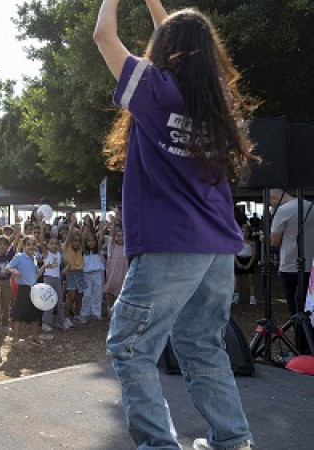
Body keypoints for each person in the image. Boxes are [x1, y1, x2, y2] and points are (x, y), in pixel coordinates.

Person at [94, 1, 255, 448]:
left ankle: (159, 444)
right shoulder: (219, 99)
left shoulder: (157, 91)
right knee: (203, 345)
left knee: (130, 346)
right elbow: (183, 45)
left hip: (170, 243)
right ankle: (233, 439)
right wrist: (155, 5)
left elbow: (104, 37)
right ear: (209, 51)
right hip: (218, 246)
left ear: (167, 51)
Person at [269, 188, 314, 354]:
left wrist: (262, 237)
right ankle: (310, 345)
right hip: (311, 264)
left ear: (275, 197)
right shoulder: (310, 206)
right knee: (309, 308)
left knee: (295, 310)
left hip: (290, 265)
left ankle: (302, 348)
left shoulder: (283, 210)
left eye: (270, 202)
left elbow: (274, 241)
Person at [7, 235, 48, 346]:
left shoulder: (34, 258)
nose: (31, 247)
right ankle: (16, 340)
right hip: (23, 289)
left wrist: (44, 268)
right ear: (24, 246)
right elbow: (8, 267)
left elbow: (35, 275)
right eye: (28, 244)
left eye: (33, 244)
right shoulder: (19, 256)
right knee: (18, 316)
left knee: (35, 316)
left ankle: (35, 338)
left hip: (34, 289)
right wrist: (14, 271)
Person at [80, 231, 105, 321]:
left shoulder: (97, 251)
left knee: (97, 294)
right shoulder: (84, 252)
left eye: (93, 241)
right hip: (86, 275)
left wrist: (102, 229)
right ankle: (84, 314)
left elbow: (101, 239)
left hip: (97, 274)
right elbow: (82, 240)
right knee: (87, 295)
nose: (91, 243)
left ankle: (96, 313)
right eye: (89, 241)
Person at [103, 226, 127, 315]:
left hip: (123, 269)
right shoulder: (112, 246)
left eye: (122, 236)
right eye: (118, 236)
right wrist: (113, 223)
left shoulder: (126, 246)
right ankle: (110, 308)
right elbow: (112, 236)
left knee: (121, 289)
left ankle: (119, 309)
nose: (120, 238)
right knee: (111, 288)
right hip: (113, 269)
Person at [234, 223, 258, 306]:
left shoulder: (252, 243)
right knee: (238, 281)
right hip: (239, 260)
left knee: (251, 280)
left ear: (249, 233)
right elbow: (234, 254)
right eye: (242, 231)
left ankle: (252, 298)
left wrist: (249, 264)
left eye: (246, 231)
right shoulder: (237, 242)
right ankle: (236, 297)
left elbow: (253, 255)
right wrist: (237, 263)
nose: (244, 233)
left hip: (248, 260)